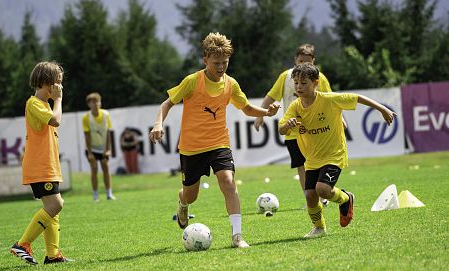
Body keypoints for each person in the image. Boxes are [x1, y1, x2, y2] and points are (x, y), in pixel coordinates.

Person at [149, 32, 280, 248]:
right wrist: (158, 123)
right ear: (205, 59)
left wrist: (266, 112)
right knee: (191, 195)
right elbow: (166, 104)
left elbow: (246, 108)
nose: (221, 67)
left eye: (225, 62)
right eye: (216, 62)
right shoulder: (192, 82)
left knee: (228, 182)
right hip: (191, 148)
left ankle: (237, 236)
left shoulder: (231, 84)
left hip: (219, 142)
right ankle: (182, 204)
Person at [278, 63, 396, 238]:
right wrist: (287, 125)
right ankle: (319, 228)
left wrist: (383, 109)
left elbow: (357, 98)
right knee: (310, 195)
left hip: (334, 155)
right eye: (296, 83)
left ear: (315, 83)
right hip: (312, 159)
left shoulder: (329, 99)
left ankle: (346, 198)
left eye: (304, 83)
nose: (299, 87)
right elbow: (281, 130)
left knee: (322, 190)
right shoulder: (295, 106)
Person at [255, 44, 336, 208]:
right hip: (293, 131)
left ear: (313, 61)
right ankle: (310, 198)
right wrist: (260, 115)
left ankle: (322, 195)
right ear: (295, 60)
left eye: (307, 62)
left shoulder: (320, 79)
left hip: (316, 130)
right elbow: (271, 97)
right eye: (300, 61)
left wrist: (339, 119)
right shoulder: (285, 77)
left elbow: (332, 101)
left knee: (317, 163)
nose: (302, 65)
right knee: (301, 165)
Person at [10, 61, 71, 265]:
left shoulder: (43, 104)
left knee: (52, 209)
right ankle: (22, 244)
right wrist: (59, 100)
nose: (60, 87)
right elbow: (56, 120)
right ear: (47, 82)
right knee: (56, 204)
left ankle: (52, 255)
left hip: (49, 166)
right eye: (58, 83)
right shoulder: (34, 103)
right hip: (40, 167)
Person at [82, 92, 115, 202]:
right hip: (91, 148)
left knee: (105, 167)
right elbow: (86, 135)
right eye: (93, 102)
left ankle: (109, 193)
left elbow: (108, 133)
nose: (96, 104)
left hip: (103, 147)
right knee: (94, 169)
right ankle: (95, 195)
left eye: (97, 101)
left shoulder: (106, 114)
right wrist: (90, 153)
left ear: (100, 103)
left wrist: (109, 149)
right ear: (89, 104)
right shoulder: (86, 117)